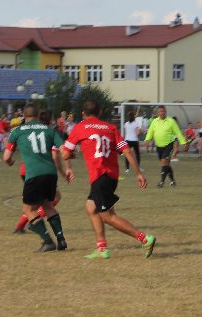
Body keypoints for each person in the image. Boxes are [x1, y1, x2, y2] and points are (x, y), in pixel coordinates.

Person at [61, 100, 156, 260]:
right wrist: (138, 173)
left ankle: (144, 239)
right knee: (91, 208)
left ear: (83, 114)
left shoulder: (79, 127)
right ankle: (102, 248)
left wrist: (72, 157)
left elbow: (65, 153)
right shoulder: (110, 128)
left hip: (99, 176)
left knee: (107, 216)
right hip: (111, 176)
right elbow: (127, 151)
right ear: (99, 113)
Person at [4, 103, 69, 252]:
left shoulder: (17, 131)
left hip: (34, 174)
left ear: (24, 115)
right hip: (51, 174)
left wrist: (11, 162)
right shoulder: (50, 129)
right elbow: (64, 150)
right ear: (38, 115)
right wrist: (68, 168)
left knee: (28, 209)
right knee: (48, 205)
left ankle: (48, 241)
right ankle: (61, 240)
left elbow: (6, 157)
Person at [145, 106, 186, 187]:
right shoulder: (154, 121)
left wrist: (183, 142)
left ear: (165, 112)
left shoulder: (171, 121)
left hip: (169, 145)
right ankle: (173, 181)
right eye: (160, 111)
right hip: (159, 146)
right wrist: (147, 140)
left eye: (163, 111)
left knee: (164, 161)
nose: (162, 113)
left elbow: (177, 132)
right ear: (157, 113)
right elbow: (150, 131)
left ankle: (162, 182)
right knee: (166, 164)